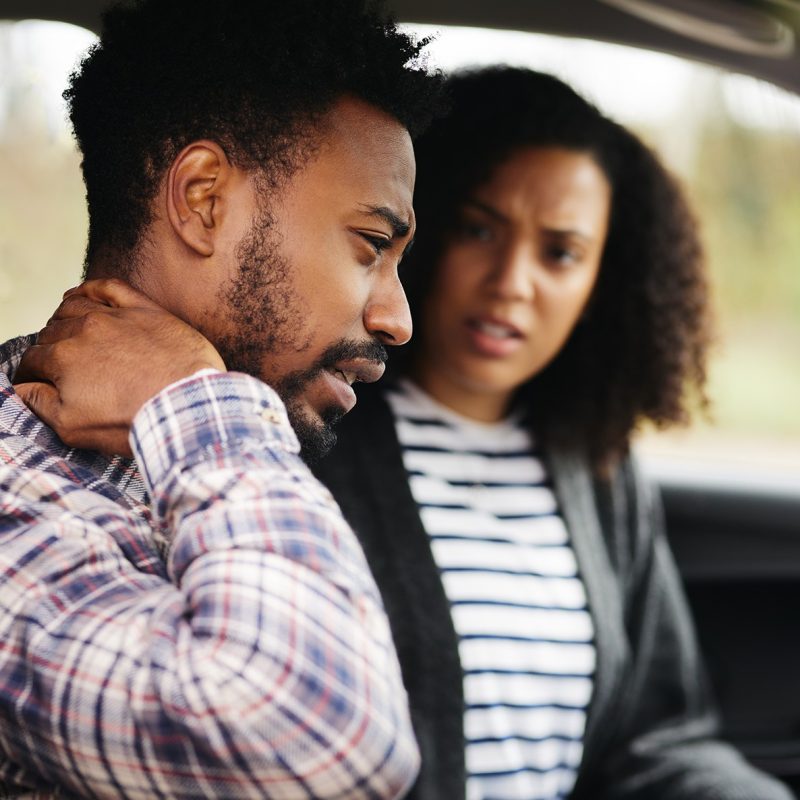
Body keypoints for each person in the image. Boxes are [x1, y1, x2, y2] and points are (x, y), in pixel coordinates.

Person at [0, 0, 442, 797]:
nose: (398, 319)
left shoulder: (233, 449)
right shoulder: (15, 488)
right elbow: (319, 742)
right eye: (372, 245)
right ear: (203, 200)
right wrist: (189, 396)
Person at [313, 67, 794, 800]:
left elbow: (654, 740)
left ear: (606, 280)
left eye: (560, 252)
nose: (512, 280)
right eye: (480, 229)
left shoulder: (597, 468)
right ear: (420, 229)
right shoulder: (315, 432)